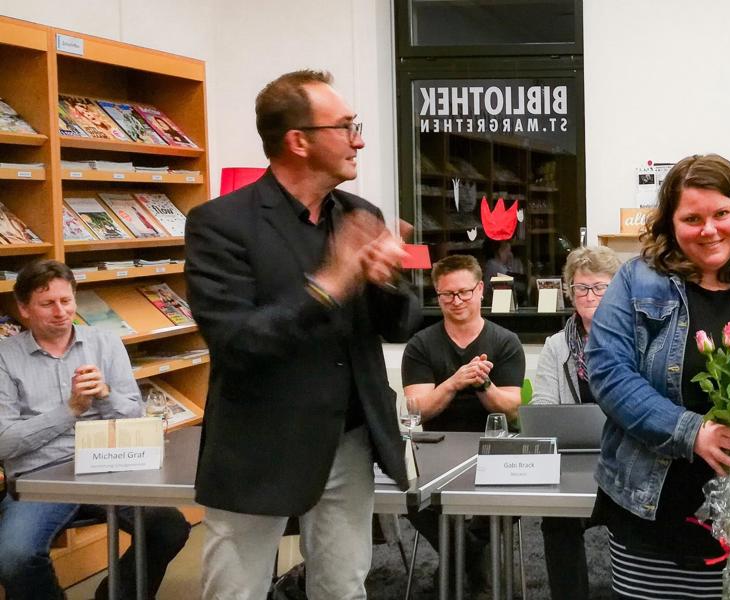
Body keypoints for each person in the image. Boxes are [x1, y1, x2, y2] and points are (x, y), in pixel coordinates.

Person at [185, 69, 421, 600]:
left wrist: (384, 281)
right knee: (235, 592)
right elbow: (236, 342)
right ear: (298, 140)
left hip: (350, 441)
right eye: (345, 126)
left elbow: (402, 325)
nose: (358, 139)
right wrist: (329, 286)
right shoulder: (220, 224)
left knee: (343, 588)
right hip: (258, 447)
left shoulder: (361, 215)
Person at [586, 154, 730, 599]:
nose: (709, 229)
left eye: (720, 214)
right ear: (671, 224)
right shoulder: (636, 281)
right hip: (652, 514)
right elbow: (608, 372)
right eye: (692, 218)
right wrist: (693, 433)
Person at [0, 259, 190, 600]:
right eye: (47, 304)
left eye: (66, 300)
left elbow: (135, 415)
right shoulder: (4, 357)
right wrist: (70, 410)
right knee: (14, 557)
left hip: (107, 466)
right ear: (23, 308)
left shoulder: (105, 343)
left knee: (170, 527)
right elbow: (4, 442)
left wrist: (105, 395)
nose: (61, 311)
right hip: (40, 478)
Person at [401, 253, 525, 590]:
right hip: (436, 454)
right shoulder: (420, 345)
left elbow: (513, 410)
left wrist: (483, 383)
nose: (456, 301)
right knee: (413, 500)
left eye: (464, 292)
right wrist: (455, 381)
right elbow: (418, 409)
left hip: (496, 453)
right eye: (447, 295)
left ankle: (457, 565)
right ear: (437, 296)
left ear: (480, 290)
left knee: (514, 502)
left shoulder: (505, 342)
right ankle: (474, 563)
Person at [530, 245, 620, 600]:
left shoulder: (636, 341)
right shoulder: (555, 346)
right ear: (570, 292)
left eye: (600, 287)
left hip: (626, 464)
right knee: (556, 523)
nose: (589, 296)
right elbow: (542, 409)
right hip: (571, 463)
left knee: (644, 524)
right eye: (581, 288)